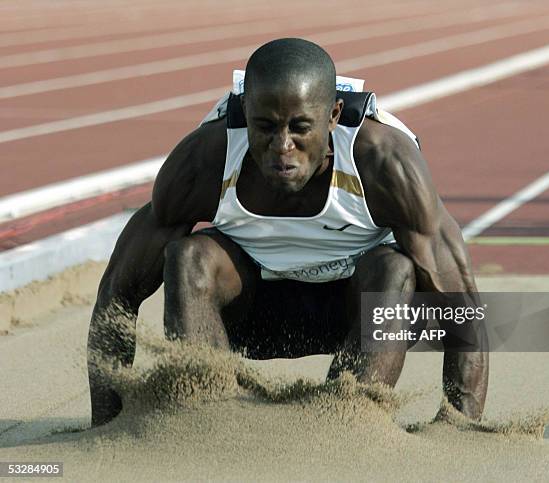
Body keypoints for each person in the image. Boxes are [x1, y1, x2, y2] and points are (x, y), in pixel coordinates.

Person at [87, 38, 488, 427]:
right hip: (248, 318)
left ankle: (352, 424)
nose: (282, 146)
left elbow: (463, 309)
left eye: (300, 128)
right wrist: (107, 422)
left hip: (353, 316)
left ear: (333, 116)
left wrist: (459, 427)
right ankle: (205, 420)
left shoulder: (384, 163)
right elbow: (116, 295)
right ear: (245, 111)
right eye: (265, 126)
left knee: (396, 269)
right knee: (188, 256)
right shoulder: (203, 161)